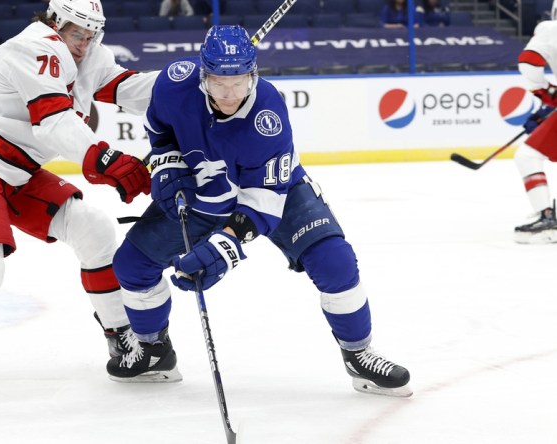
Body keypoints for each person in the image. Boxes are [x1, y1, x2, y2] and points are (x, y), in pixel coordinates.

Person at [106, 25, 412, 398]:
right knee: (132, 263)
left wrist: (227, 244)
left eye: (240, 82)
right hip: (206, 187)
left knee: (335, 261)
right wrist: (168, 161)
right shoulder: (175, 83)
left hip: (274, 188)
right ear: (203, 75)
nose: (230, 94)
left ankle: (359, 354)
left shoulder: (269, 114)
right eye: (219, 83)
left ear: (254, 75)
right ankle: (153, 351)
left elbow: (265, 198)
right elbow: (159, 125)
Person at [0, 0, 157, 414]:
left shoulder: (90, 54)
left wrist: (194, 84)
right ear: (56, 22)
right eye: (78, 34)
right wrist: (106, 160)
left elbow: (130, 88)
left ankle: (124, 342)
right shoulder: (35, 45)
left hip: (16, 168)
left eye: (92, 36)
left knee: (93, 227)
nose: (84, 44)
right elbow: (54, 122)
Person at [512, 3, 557, 244]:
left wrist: (546, 92)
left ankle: (547, 217)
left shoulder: (551, 28)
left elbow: (529, 61)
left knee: (527, 156)